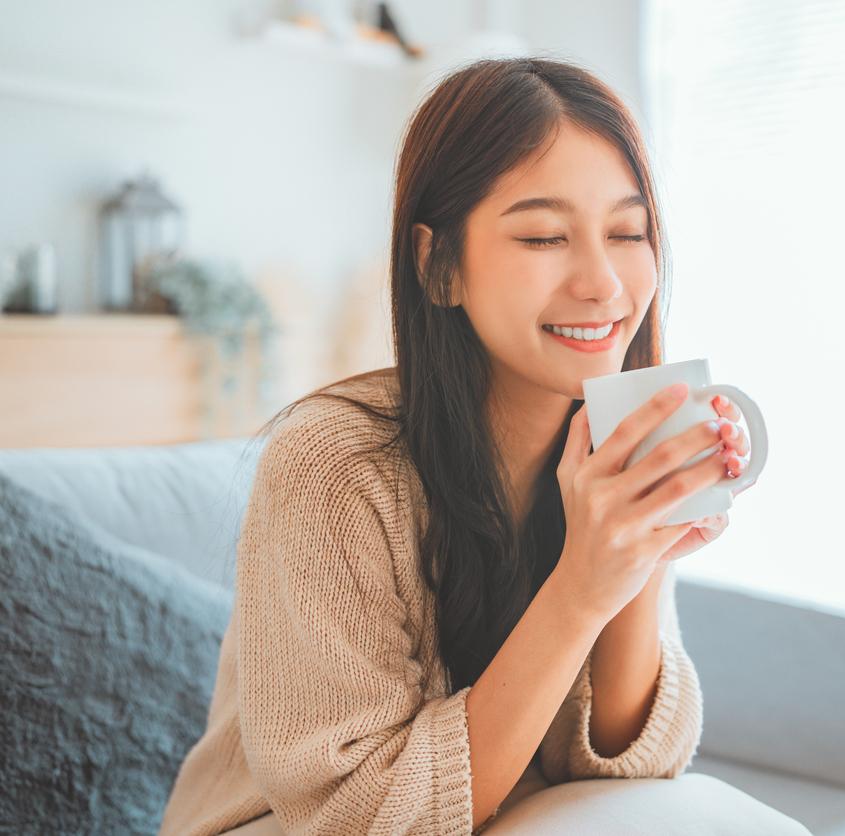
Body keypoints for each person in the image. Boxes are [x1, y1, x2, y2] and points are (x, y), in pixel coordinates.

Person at [158, 56, 804, 835]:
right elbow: (353, 818)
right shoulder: (331, 466)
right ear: (437, 266)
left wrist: (640, 551)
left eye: (628, 231)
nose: (603, 282)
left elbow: (630, 768)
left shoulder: (606, 438)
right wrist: (582, 588)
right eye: (543, 237)